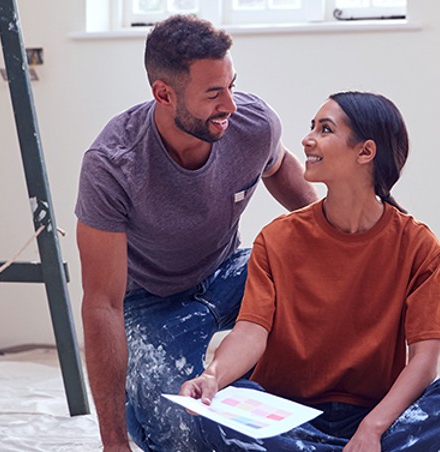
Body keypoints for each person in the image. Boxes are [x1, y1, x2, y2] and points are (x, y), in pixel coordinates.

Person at [180, 91, 440, 451]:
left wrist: (373, 428)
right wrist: (212, 377)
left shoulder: (418, 246)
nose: (307, 139)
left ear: (365, 152)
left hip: (374, 413)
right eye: (311, 128)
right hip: (284, 412)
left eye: (325, 129)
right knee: (220, 406)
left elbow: (425, 361)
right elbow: (251, 331)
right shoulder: (278, 238)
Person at [74, 15, 318, 451]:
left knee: (312, 261)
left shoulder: (252, 125)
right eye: (213, 93)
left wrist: (358, 242)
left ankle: (324, 408)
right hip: (150, 304)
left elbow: (283, 174)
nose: (230, 104)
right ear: (164, 94)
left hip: (228, 276)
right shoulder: (112, 165)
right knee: (178, 434)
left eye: (231, 85)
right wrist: (113, 444)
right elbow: (102, 305)